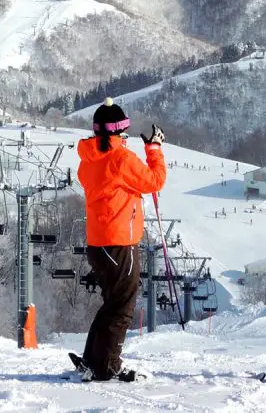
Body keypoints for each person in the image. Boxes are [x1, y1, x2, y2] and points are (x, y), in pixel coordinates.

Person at [75, 98, 166, 382]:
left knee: (111, 303)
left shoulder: (87, 161)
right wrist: (154, 149)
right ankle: (107, 366)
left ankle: (93, 360)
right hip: (120, 242)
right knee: (122, 307)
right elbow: (154, 181)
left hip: (98, 243)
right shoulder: (121, 159)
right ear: (118, 131)